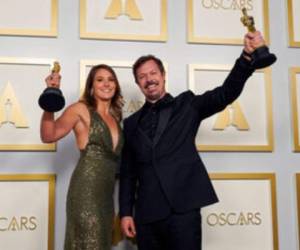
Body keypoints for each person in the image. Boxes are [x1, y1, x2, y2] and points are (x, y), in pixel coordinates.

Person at [119, 31, 266, 250]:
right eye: (142, 76)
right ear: (138, 83)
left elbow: (225, 93)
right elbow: (128, 173)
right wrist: (125, 213)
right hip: (147, 215)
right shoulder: (130, 124)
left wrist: (246, 58)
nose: (149, 79)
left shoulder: (187, 104)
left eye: (153, 73)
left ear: (163, 75)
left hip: (183, 210)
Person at [40, 64, 124, 250]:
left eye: (111, 80)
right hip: (85, 194)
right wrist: (51, 95)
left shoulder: (115, 116)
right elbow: (49, 135)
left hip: (106, 198)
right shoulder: (80, 110)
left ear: (116, 85)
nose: (106, 84)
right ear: (91, 86)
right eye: (100, 80)